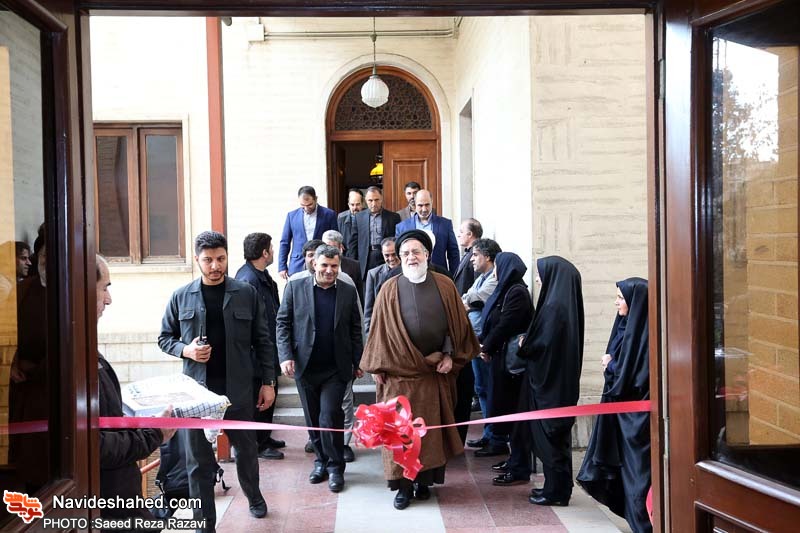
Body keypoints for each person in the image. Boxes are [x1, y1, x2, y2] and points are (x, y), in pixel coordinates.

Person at [158, 231, 276, 529]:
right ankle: (204, 522)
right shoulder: (181, 296)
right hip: (196, 396)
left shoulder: (246, 293)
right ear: (197, 260)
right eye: (208, 260)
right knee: (197, 462)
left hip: (238, 391)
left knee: (246, 451)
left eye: (220, 259)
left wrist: (268, 382)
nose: (215, 266)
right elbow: (164, 338)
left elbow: (263, 341)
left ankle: (254, 497)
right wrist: (186, 350)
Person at [360, 229, 480, 510]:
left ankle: (424, 482)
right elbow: (379, 331)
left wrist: (449, 355)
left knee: (428, 437)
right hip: (398, 376)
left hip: (432, 375)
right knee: (400, 435)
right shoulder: (389, 288)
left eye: (416, 252)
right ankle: (403, 488)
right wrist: (377, 365)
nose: (410, 257)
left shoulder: (445, 285)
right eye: (405, 253)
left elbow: (456, 327)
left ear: (427, 254)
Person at [97, 254, 177, 529]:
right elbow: (99, 446)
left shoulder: (86, 352)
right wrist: (154, 433)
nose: (109, 299)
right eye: (104, 288)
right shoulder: (71, 361)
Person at [276, 245, 363, 493]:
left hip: (336, 368)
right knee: (313, 420)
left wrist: (358, 361)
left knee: (330, 415)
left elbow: (355, 329)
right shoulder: (295, 287)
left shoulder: (347, 291)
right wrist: (285, 356)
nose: (329, 270)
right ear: (314, 264)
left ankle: (336, 467)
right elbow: (282, 323)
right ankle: (321, 461)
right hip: (305, 366)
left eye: (334, 266)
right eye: (324, 265)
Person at [577, 278, 651, 533]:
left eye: (621, 298)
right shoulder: (625, 325)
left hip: (636, 421)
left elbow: (638, 377)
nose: (616, 302)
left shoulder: (646, 333)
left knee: (638, 477)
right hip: (621, 415)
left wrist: (612, 365)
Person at [516, 256, 584, 507]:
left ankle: (555, 492)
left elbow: (541, 344)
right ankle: (558, 487)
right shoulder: (565, 305)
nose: (537, 279)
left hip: (550, 386)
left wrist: (525, 343)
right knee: (557, 437)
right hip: (560, 383)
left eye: (540, 274)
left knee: (550, 438)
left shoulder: (554, 308)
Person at [234, 232, 285, 460]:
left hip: (269, 345)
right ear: (264, 253)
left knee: (271, 391)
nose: (273, 252)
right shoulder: (248, 280)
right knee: (260, 397)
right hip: (256, 352)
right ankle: (258, 444)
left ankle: (264, 436)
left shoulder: (262, 276)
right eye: (271, 248)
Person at [278, 186, 338, 279]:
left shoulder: (329, 214)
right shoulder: (291, 216)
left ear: (316, 199)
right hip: (297, 263)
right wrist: (282, 266)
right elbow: (285, 242)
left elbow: (334, 240)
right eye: (303, 205)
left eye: (309, 205)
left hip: (321, 261)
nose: (306, 208)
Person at [394, 189, 459, 275]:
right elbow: (399, 254)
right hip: (411, 275)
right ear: (415, 204)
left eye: (427, 205)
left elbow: (453, 253)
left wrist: (454, 277)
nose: (424, 209)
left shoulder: (445, 224)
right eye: (420, 205)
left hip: (439, 274)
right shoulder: (402, 227)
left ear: (432, 202)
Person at [348, 186, 400, 280]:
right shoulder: (359, 217)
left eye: (376, 200)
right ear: (365, 200)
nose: (374, 203)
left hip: (386, 256)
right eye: (370, 200)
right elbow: (353, 243)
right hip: (366, 258)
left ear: (381, 199)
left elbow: (397, 240)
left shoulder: (393, 217)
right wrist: (353, 264)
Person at [363, 237, 399, 335]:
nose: (391, 258)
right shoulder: (373, 274)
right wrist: (369, 335)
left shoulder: (409, 272)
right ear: (382, 254)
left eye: (394, 254)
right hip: (382, 327)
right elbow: (369, 309)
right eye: (387, 255)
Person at [322, 229, 364, 304]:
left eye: (333, 247)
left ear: (340, 247)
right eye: (327, 247)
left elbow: (359, 294)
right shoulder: (316, 265)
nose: (330, 251)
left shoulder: (354, 266)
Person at [454, 218, 482, 295]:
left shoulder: (478, 254)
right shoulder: (468, 252)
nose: (458, 235)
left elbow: (478, 285)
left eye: (461, 232)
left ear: (470, 234)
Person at [338, 188, 363, 257]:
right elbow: (337, 234)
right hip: (346, 254)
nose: (355, 208)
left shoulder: (368, 216)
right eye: (352, 205)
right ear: (348, 205)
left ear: (362, 204)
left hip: (362, 254)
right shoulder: (341, 217)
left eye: (358, 204)